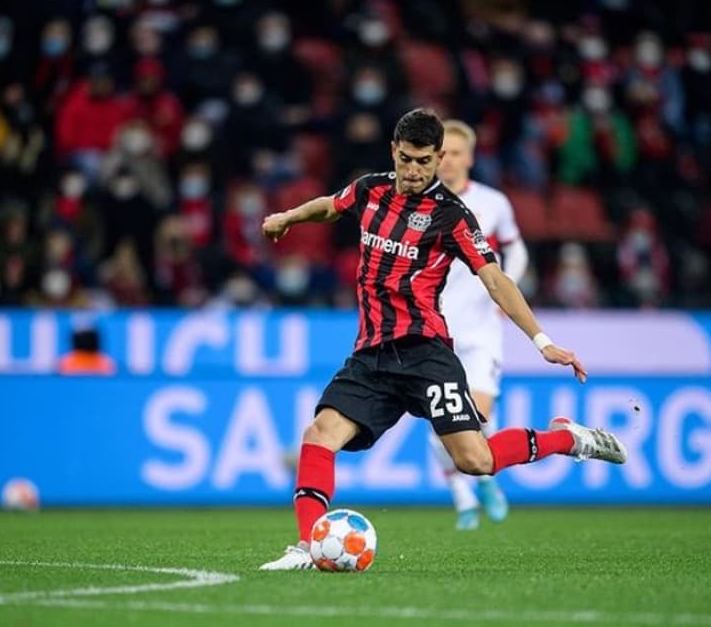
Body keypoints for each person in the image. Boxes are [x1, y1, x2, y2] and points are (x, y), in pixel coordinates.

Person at [258, 108, 627, 571]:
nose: (415, 171)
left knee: (477, 460)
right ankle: (309, 546)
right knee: (319, 435)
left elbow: (496, 280)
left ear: (438, 159)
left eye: (426, 162)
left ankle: (567, 439)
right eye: (408, 159)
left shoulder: (452, 216)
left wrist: (541, 340)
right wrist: (288, 218)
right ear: (394, 150)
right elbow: (331, 206)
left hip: (425, 353)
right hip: (371, 355)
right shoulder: (370, 190)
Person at [428, 119, 529, 530]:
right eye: (441, 154)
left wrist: (509, 290)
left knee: (478, 418)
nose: (447, 161)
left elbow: (515, 250)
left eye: (454, 153)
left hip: (481, 331)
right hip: (433, 330)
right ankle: (462, 498)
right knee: (442, 424)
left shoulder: (493, 203)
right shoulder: (420, 205)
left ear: (469, 157)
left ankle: (484, 479)